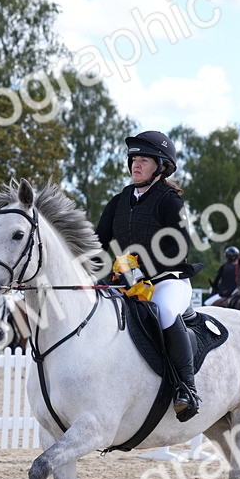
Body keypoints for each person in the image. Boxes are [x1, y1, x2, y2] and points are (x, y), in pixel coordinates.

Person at [96, 130, 202, 421]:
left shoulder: (170, 202)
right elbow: (97, 242)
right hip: (126, 282)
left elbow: (179, 246)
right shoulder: (118, 202)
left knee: (165, 312)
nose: (136, 165)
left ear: (161, 167)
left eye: (144, 160)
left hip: (168, 281)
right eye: (134, 160)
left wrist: (143, 266)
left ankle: (186, 388)